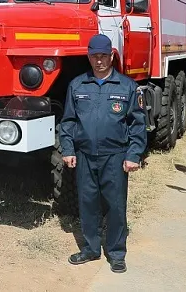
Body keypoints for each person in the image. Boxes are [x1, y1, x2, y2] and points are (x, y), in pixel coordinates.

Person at [60, 34, 147, 273]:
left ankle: (117, 253)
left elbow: (137, 124)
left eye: (103, 56)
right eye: (94, 56)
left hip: (115, 156)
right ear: (88, 57)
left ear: (111, 56)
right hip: (85, 155)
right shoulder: (77, 86)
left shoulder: (127, 87)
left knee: (116, 205)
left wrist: (134, 154)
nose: (99, 61)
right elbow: (68, 121)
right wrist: (68, 149)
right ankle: (90, 248)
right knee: (87, 203)